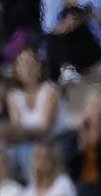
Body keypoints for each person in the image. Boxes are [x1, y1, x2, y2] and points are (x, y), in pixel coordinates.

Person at [6, 45, 69, 182]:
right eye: (21, 64)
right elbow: (17, 129)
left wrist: (19, 132)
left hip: (55, 140)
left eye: (29, 63)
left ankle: (37, 194)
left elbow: (46, 129)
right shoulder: (13, 96)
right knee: (7, 155)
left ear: (39, 67)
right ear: (16, 70)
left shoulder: (51, 90)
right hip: (28, 142)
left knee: (30, 153)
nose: (26, 68)